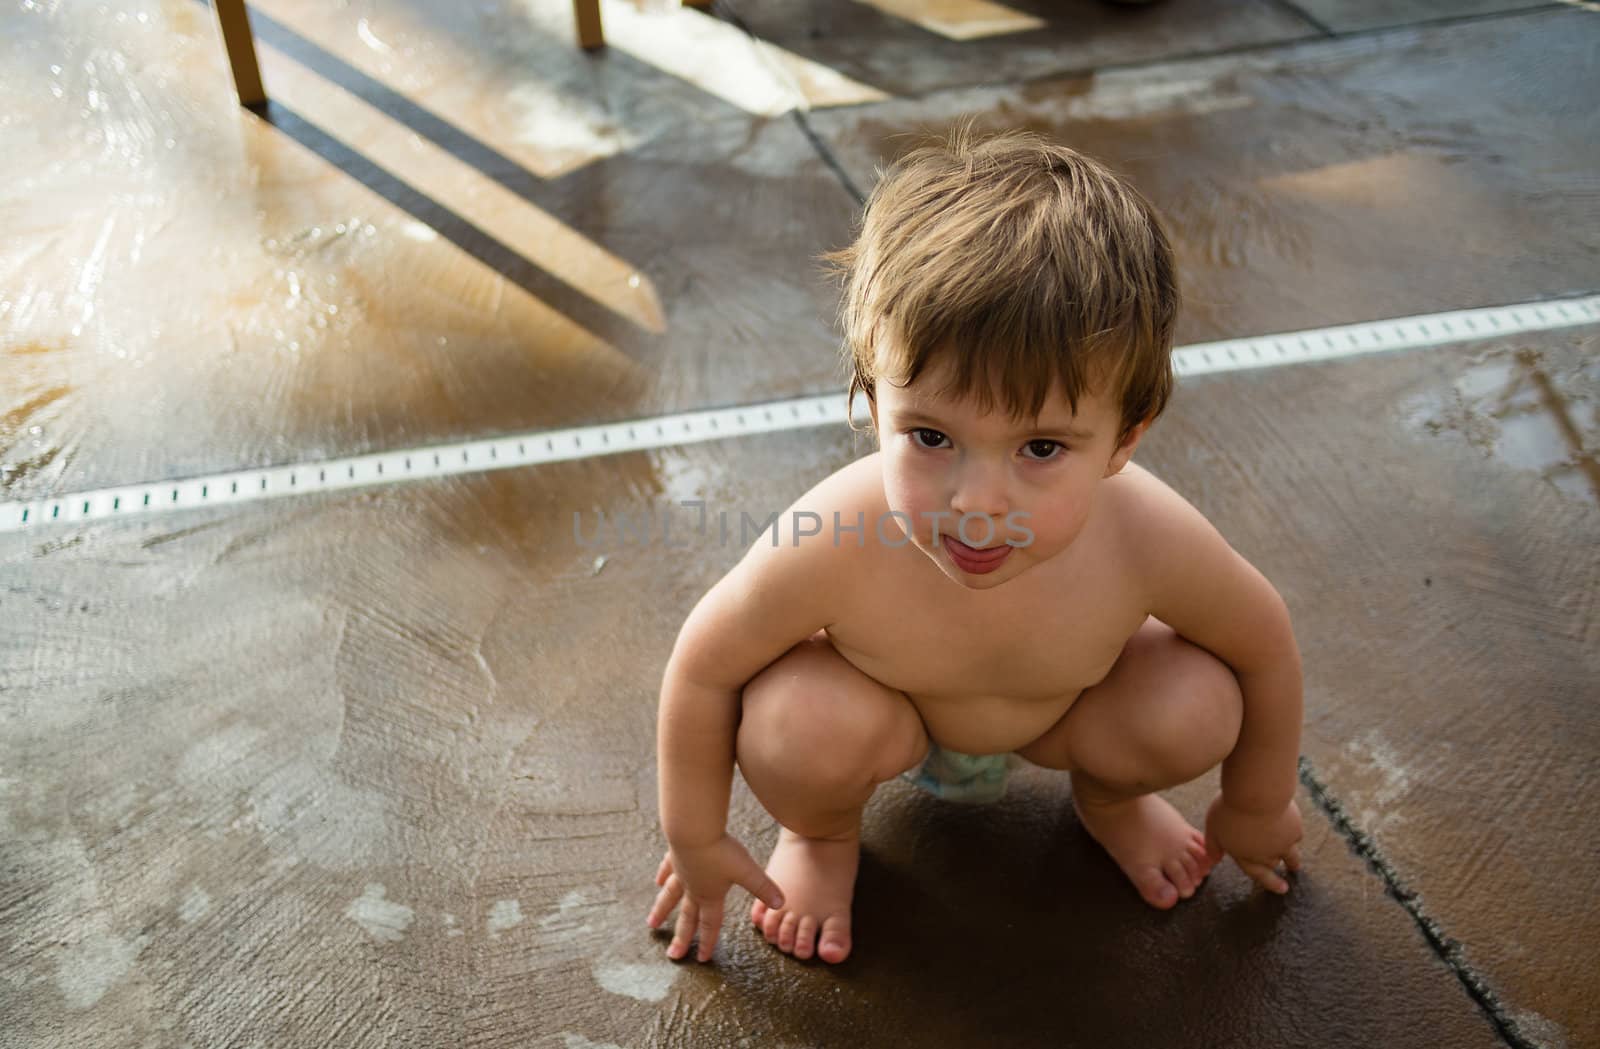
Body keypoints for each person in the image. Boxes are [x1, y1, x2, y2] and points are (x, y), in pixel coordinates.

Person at [645, 124, 1304, 965]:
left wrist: (1257, 798)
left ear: (1124, 440)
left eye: (1040, 448)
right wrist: (694, 834)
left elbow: (1264, 641)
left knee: (1199, 700)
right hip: (888, 714)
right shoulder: (836, 535)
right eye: (930, 436)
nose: (978, 503)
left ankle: (1110, 798)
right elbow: (704, 663)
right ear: (874, 402)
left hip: (1067, 714)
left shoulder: (1147, 533)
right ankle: (820, 834)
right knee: (793, 723)